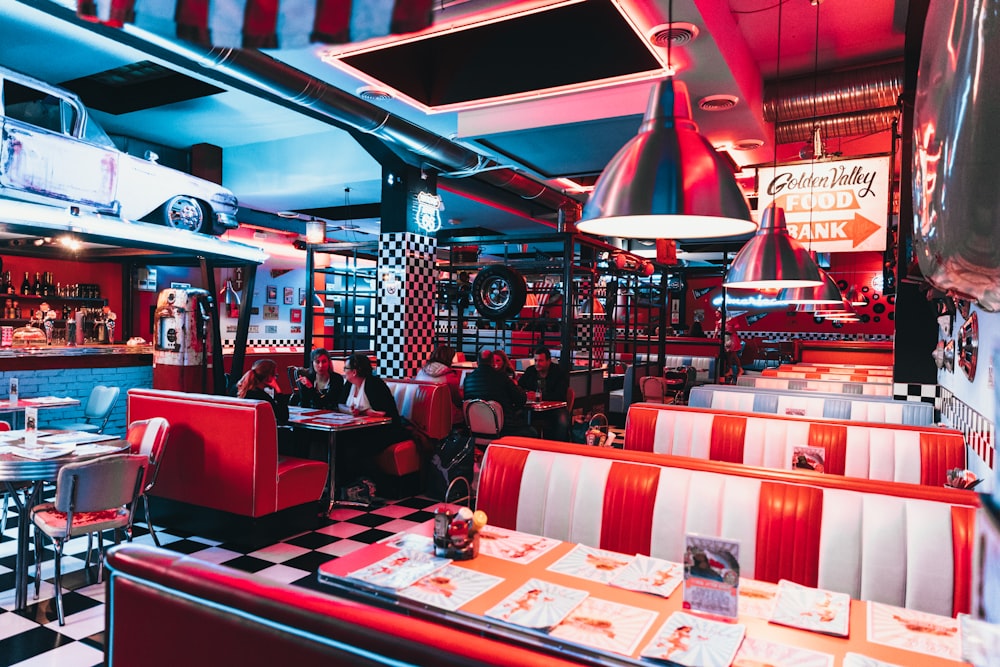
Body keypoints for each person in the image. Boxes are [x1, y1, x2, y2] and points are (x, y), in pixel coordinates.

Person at [336, 353, 405, 491]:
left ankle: (380, 486)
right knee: (338, 442)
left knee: (355, 447)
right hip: (359, 429)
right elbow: (339, 404)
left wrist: (362, 412)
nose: (344, 372)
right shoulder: (349, 385)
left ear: (354, 372)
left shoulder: (375, 384)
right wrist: (349, 411)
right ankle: (342, 485)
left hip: (386, 430)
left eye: (346, 369)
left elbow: (384, 413)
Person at [462, 348, 535, 437]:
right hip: (504, 429)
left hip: (475, 430)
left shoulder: (468, 380)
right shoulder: (502, 378)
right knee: (532, 432)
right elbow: (520, 400)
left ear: (477, 363)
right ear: (492, 362)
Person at [517, 345, 570, 441]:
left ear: (549, 361)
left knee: (562, 421)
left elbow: (560, 395)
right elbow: (519, 386)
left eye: (540, 361)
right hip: (533, 409)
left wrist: (540, 396)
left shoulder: (559, 372)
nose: (537, 363)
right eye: (536, 360)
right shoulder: (530, 371)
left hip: (555, 409)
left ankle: (558, 448)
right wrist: (526, 394)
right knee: (516, 417)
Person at [415, 344, 464, 425]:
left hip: (421, 414)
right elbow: (457, 400)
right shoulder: (449, 376)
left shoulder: (421, 372)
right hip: (443, 415)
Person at [235, 358, 289, 424]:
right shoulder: (263, 398)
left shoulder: (239, 390)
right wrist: (278, 391)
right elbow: (283, 417)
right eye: (275, 375)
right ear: (269, 377)